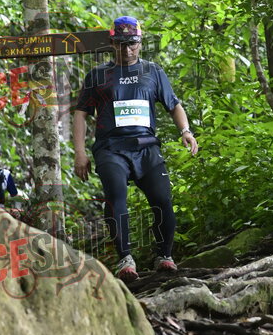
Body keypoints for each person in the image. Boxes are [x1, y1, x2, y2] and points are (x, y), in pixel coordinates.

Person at [72, 16, 198, 282]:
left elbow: (174, 105)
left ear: (140, 42)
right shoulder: (98, 75)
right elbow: (81, 113)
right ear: (111, 44)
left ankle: (164, 255)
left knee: (162, 199)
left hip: (146, 147)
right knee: (116, 195)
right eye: (120, 44)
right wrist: (80, 152)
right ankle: (125, 259)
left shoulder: (153, 71)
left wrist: (186, 131)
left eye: (132, 44)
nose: (127, 49)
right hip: (111, 148)